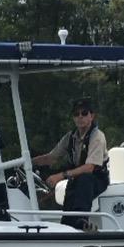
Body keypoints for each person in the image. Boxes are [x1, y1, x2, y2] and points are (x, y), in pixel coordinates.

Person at [32, 98, 110, 229]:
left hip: (97, 179)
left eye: (84, 113)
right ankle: (67, 226)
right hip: (76, 178)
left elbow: (90, 168)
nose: (80, 117)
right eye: (76, 114)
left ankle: (81, 221)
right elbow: (51, 157)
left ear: (92, 116)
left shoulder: (97, 137)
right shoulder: (70, 137)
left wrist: (60, 176)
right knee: (70, 200)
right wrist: (28, 162)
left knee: (85, 179)